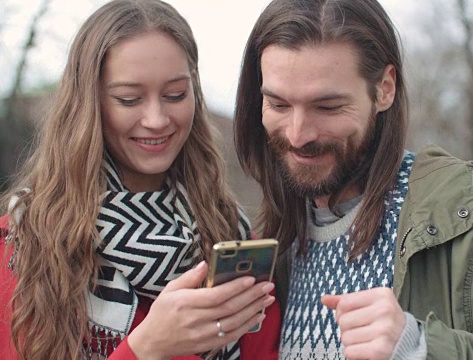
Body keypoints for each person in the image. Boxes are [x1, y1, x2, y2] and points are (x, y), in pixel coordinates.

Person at [233, 0, 473, 359]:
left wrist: (421, 346)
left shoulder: (468, 214)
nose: (298, 134)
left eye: (327, 107)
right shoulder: (271, 242)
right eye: (279, 105)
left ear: (385, 89)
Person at [0, 0, 278, 359]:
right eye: (129, 99)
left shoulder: (230, 235)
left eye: (175, 94)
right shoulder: (24, 245)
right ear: (91, 104)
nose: (157, 119)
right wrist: (146, 348)